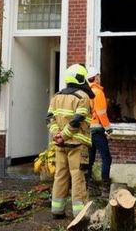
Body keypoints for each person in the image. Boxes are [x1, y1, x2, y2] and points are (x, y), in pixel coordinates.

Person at [46, 64, 94, 219]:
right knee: (78, 176)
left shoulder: (56, 96)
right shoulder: (82, 97)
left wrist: (56, 135)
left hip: (60, 145)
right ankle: (80, 214)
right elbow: (78, 119)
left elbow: (49, 118)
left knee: (60, 175)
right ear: (80, 78)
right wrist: (64, 135)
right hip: (77, 145)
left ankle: (57, 210)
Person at [86, 67, 113, 197]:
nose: (100, 78)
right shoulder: (98, 92)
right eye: (99, 76)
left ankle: (88, 187)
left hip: (87, 131)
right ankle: (105, 190)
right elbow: (102, 113)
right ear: (96, 77)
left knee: (89, 160)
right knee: (106, 158)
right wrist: (108, 129)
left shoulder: (85, 92)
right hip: (97, 130)